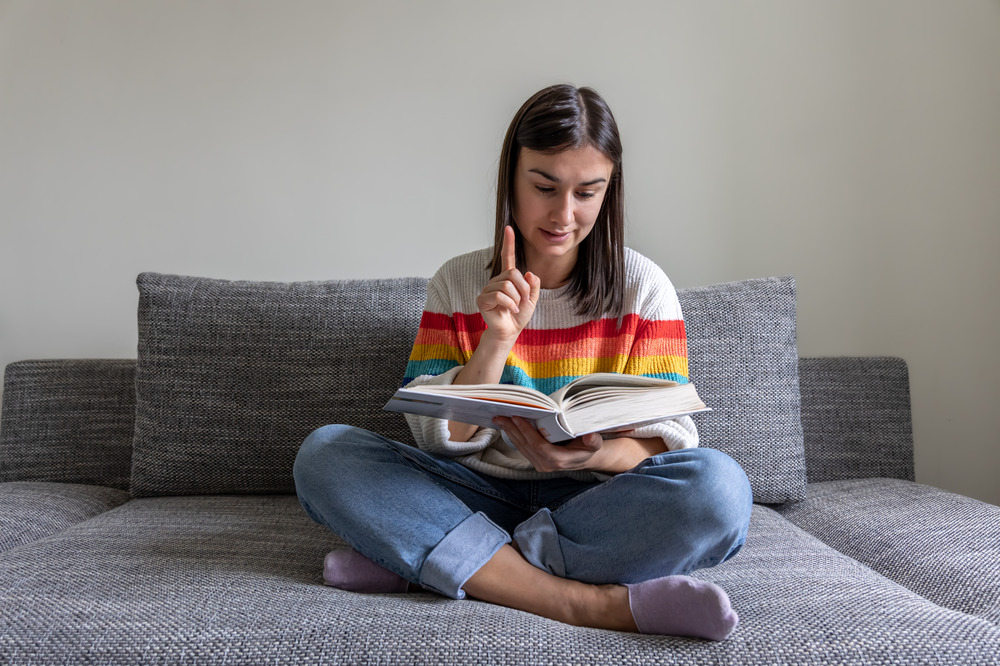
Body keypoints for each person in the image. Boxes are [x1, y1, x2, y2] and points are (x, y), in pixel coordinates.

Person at [293, 84, 753, 641]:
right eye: (544, 186)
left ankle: (443, 563)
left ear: (611, 190)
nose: (564, 214)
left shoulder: (644, 288)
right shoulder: (458, 281)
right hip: (474, 491)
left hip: (595, 505)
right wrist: (496, 340)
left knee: (721, 490)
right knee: (326, 454)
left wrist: (593, 453)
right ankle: (583, 603)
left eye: (588, 192)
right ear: (511, 178)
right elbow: (437, 438)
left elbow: (667, 438)